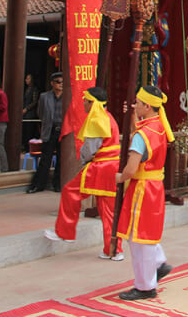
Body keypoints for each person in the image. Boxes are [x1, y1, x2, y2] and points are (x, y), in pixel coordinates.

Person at [44, 87, 124, 260]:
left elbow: (90, 149)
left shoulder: (97, 119)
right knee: (108, 210)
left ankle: (65, 232)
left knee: (70, 191)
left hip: (99, 167)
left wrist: (84, 161)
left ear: (92, 102)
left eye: (86, 101)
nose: (83, 104)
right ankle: (114, 250)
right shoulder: (108, 117)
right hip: (112, 167)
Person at [115, 86, 174, 300]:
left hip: (141, 189)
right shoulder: (158, 126)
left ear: (147, 106)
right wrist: (132, 116)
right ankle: (158, 264)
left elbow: (131, 168)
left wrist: (119, 178)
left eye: (138, 103)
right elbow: (140, 134)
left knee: (139, 239)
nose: (135, 105)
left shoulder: (142, 134)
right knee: (145, 235)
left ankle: (145, 286)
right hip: (154, 186)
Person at [28, 72, 63, 193]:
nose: (61, 85)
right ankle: (38, 185)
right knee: (45, 159)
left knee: (61, 159)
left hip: (63, 130)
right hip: (50, 130)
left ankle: (58, 184)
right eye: (58, 82)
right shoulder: (44, 96)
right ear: (52, 83)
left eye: (62, 82)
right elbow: (40, 112)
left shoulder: (68, 96)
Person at [22, 73, 40, 151]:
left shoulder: (34, 90)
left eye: (28, 79)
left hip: (30, 113)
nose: (26, 80)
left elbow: (35, 101)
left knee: (30, 131)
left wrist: (27, 108)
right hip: (25, 114)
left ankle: (28, 147)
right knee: (25, 131)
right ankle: (25, 146)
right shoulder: (26, 89)